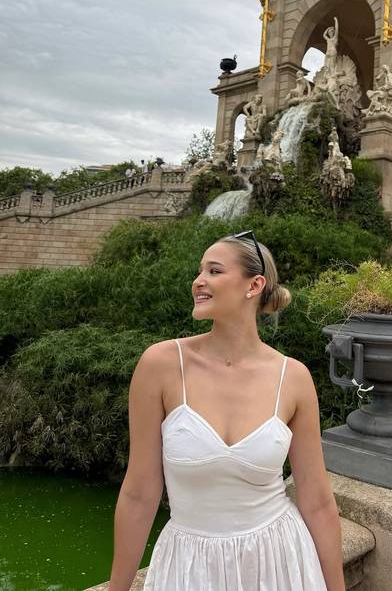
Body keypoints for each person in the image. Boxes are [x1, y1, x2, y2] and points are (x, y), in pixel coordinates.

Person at [108, 231, 344, 591]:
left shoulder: (292, 378)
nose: (198, 281)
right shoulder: (161, 364)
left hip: (279, 562)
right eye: (200, 271)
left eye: (214, 271)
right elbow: (139, 493)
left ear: (254, 285)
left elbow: (317, 501)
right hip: (189, 568)